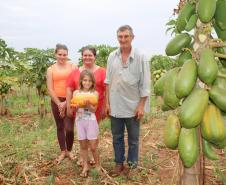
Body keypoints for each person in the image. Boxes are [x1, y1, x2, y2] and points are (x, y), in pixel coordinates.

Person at [105, 25, 150, 176]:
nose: (123, 39)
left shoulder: (141, 57)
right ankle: (119, 164)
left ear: (132, 37)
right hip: (116, 105)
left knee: (133, 139)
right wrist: (107, 103)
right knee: (117, 137)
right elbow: (107, 81)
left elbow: (145, 84)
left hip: (133, 106)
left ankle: (132, 165)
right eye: (120, 37)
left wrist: (141, 106)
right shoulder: (112, 56)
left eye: (126, 36)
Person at [66, 46, 106, 166]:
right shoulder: (75, 72)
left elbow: (107, 89)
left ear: (94, 57)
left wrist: (106, 106)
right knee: (83, 134)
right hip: (79, 108)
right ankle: (84, 158)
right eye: (85, 55)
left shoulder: (102, 71)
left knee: (93, 133)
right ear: (82, 56)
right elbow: (69, 89)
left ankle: (93, 156)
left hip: (96, 107)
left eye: (90, 55)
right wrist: (68, 105)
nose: (87, 57)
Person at [46, 43, 77, 164]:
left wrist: (66, 102)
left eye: (64, 55)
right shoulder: (50, 69)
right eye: (60, 54)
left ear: (67, 55)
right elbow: (50, 88)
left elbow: (76, 85)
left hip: (70, 99)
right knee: (60, 126)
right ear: (55, 54)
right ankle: (63, 151)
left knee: (69, 128)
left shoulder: (73, 66)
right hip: (56, 100)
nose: (62, 57)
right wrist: (59, 103)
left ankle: (69, 150)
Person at [71, 69, 101, 177]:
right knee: (83, 146)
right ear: (81, 81)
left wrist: (88, 105)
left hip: (91, 122)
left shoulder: (95, 93)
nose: (87, 83)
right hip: (80, 122)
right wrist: (76, 107)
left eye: (89, 81)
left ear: (92, 82)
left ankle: (97, 165)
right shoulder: (76, 93)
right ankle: (85, 166)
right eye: (85, 80)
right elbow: (74, 109)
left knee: (93, 146)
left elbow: (93, 110)